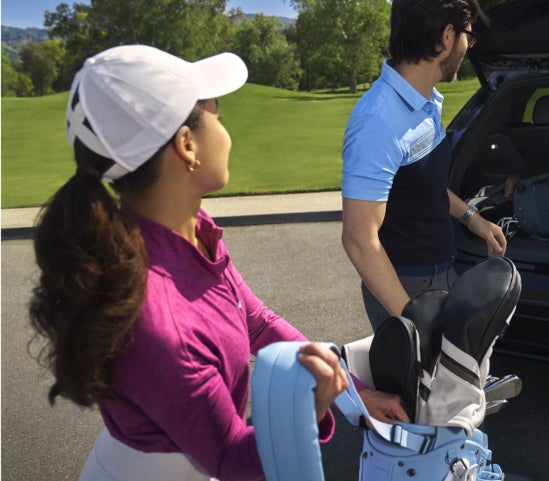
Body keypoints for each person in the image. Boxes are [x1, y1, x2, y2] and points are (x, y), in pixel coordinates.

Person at [28, 44, 407, 481]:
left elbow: (256, 323)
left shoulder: (192, 229)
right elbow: (231, 459)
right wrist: (307, 410)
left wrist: (353, 394)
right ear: (186, 145)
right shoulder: (162, 323)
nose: (227, 133)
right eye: (218, 116)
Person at [341, 0, 507, 330]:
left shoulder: (426, 101)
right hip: (405, 289)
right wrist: (413, 322)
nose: (468, 46)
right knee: (424, 367)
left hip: (442, 274)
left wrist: (473, 218)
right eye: (468, 36)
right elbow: (359, 239)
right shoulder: (377, 120)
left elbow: (425, 185)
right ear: (447, 36)